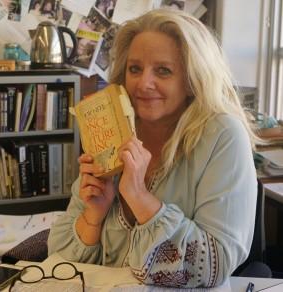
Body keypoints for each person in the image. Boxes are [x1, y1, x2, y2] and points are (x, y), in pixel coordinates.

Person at [48, 9, 258, 288]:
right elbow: (59, 263)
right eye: (135, 69)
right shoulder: (115, 126)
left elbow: (213, 264)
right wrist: (93, 217)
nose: (144, 84)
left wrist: (139, 198)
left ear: (192, 78)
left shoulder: (222, 136)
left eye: (163, 70)